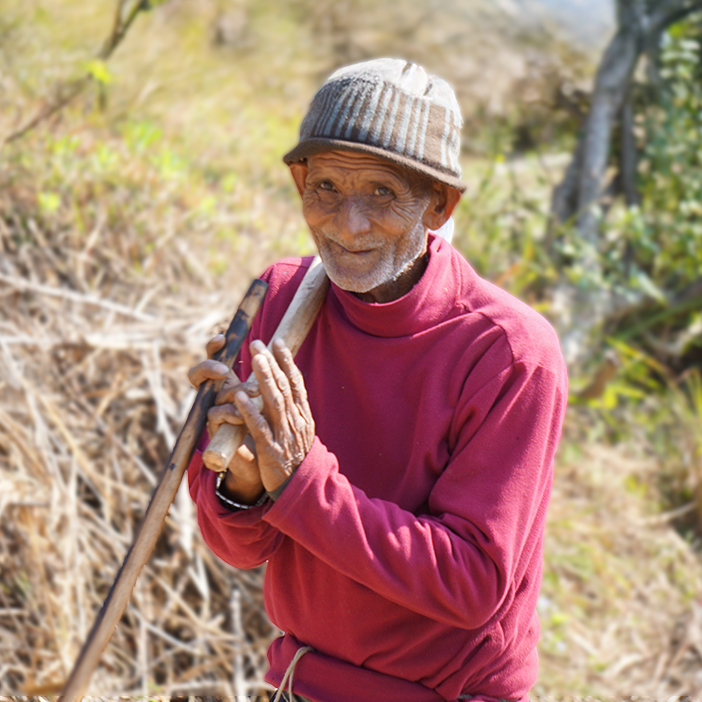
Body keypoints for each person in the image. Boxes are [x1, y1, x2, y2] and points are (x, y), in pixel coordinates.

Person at [187, 59, 568, 702]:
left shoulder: (508, 354)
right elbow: (238, 549)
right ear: (299, 181)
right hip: (298, 682)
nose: (347, 223)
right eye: (327, 187)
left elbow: (471, 585)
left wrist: (303, 482)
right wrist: (244, 484)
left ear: (438, 203)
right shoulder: (278, 301)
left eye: (384, 193)